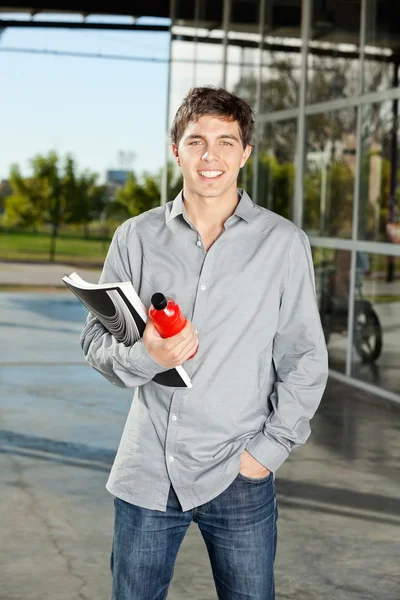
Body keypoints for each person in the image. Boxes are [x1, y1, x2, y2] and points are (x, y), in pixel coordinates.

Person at [80, 86, 329, 600]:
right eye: (196, 142)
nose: (210, 156)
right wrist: (144, 355)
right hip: (148, 470)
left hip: (239, 471)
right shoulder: (135, 237)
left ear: (245, 153)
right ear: (176, 150)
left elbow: (305, 357)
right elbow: (95, 341)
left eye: (225, 142)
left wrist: (267, 452)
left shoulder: (282, 243)